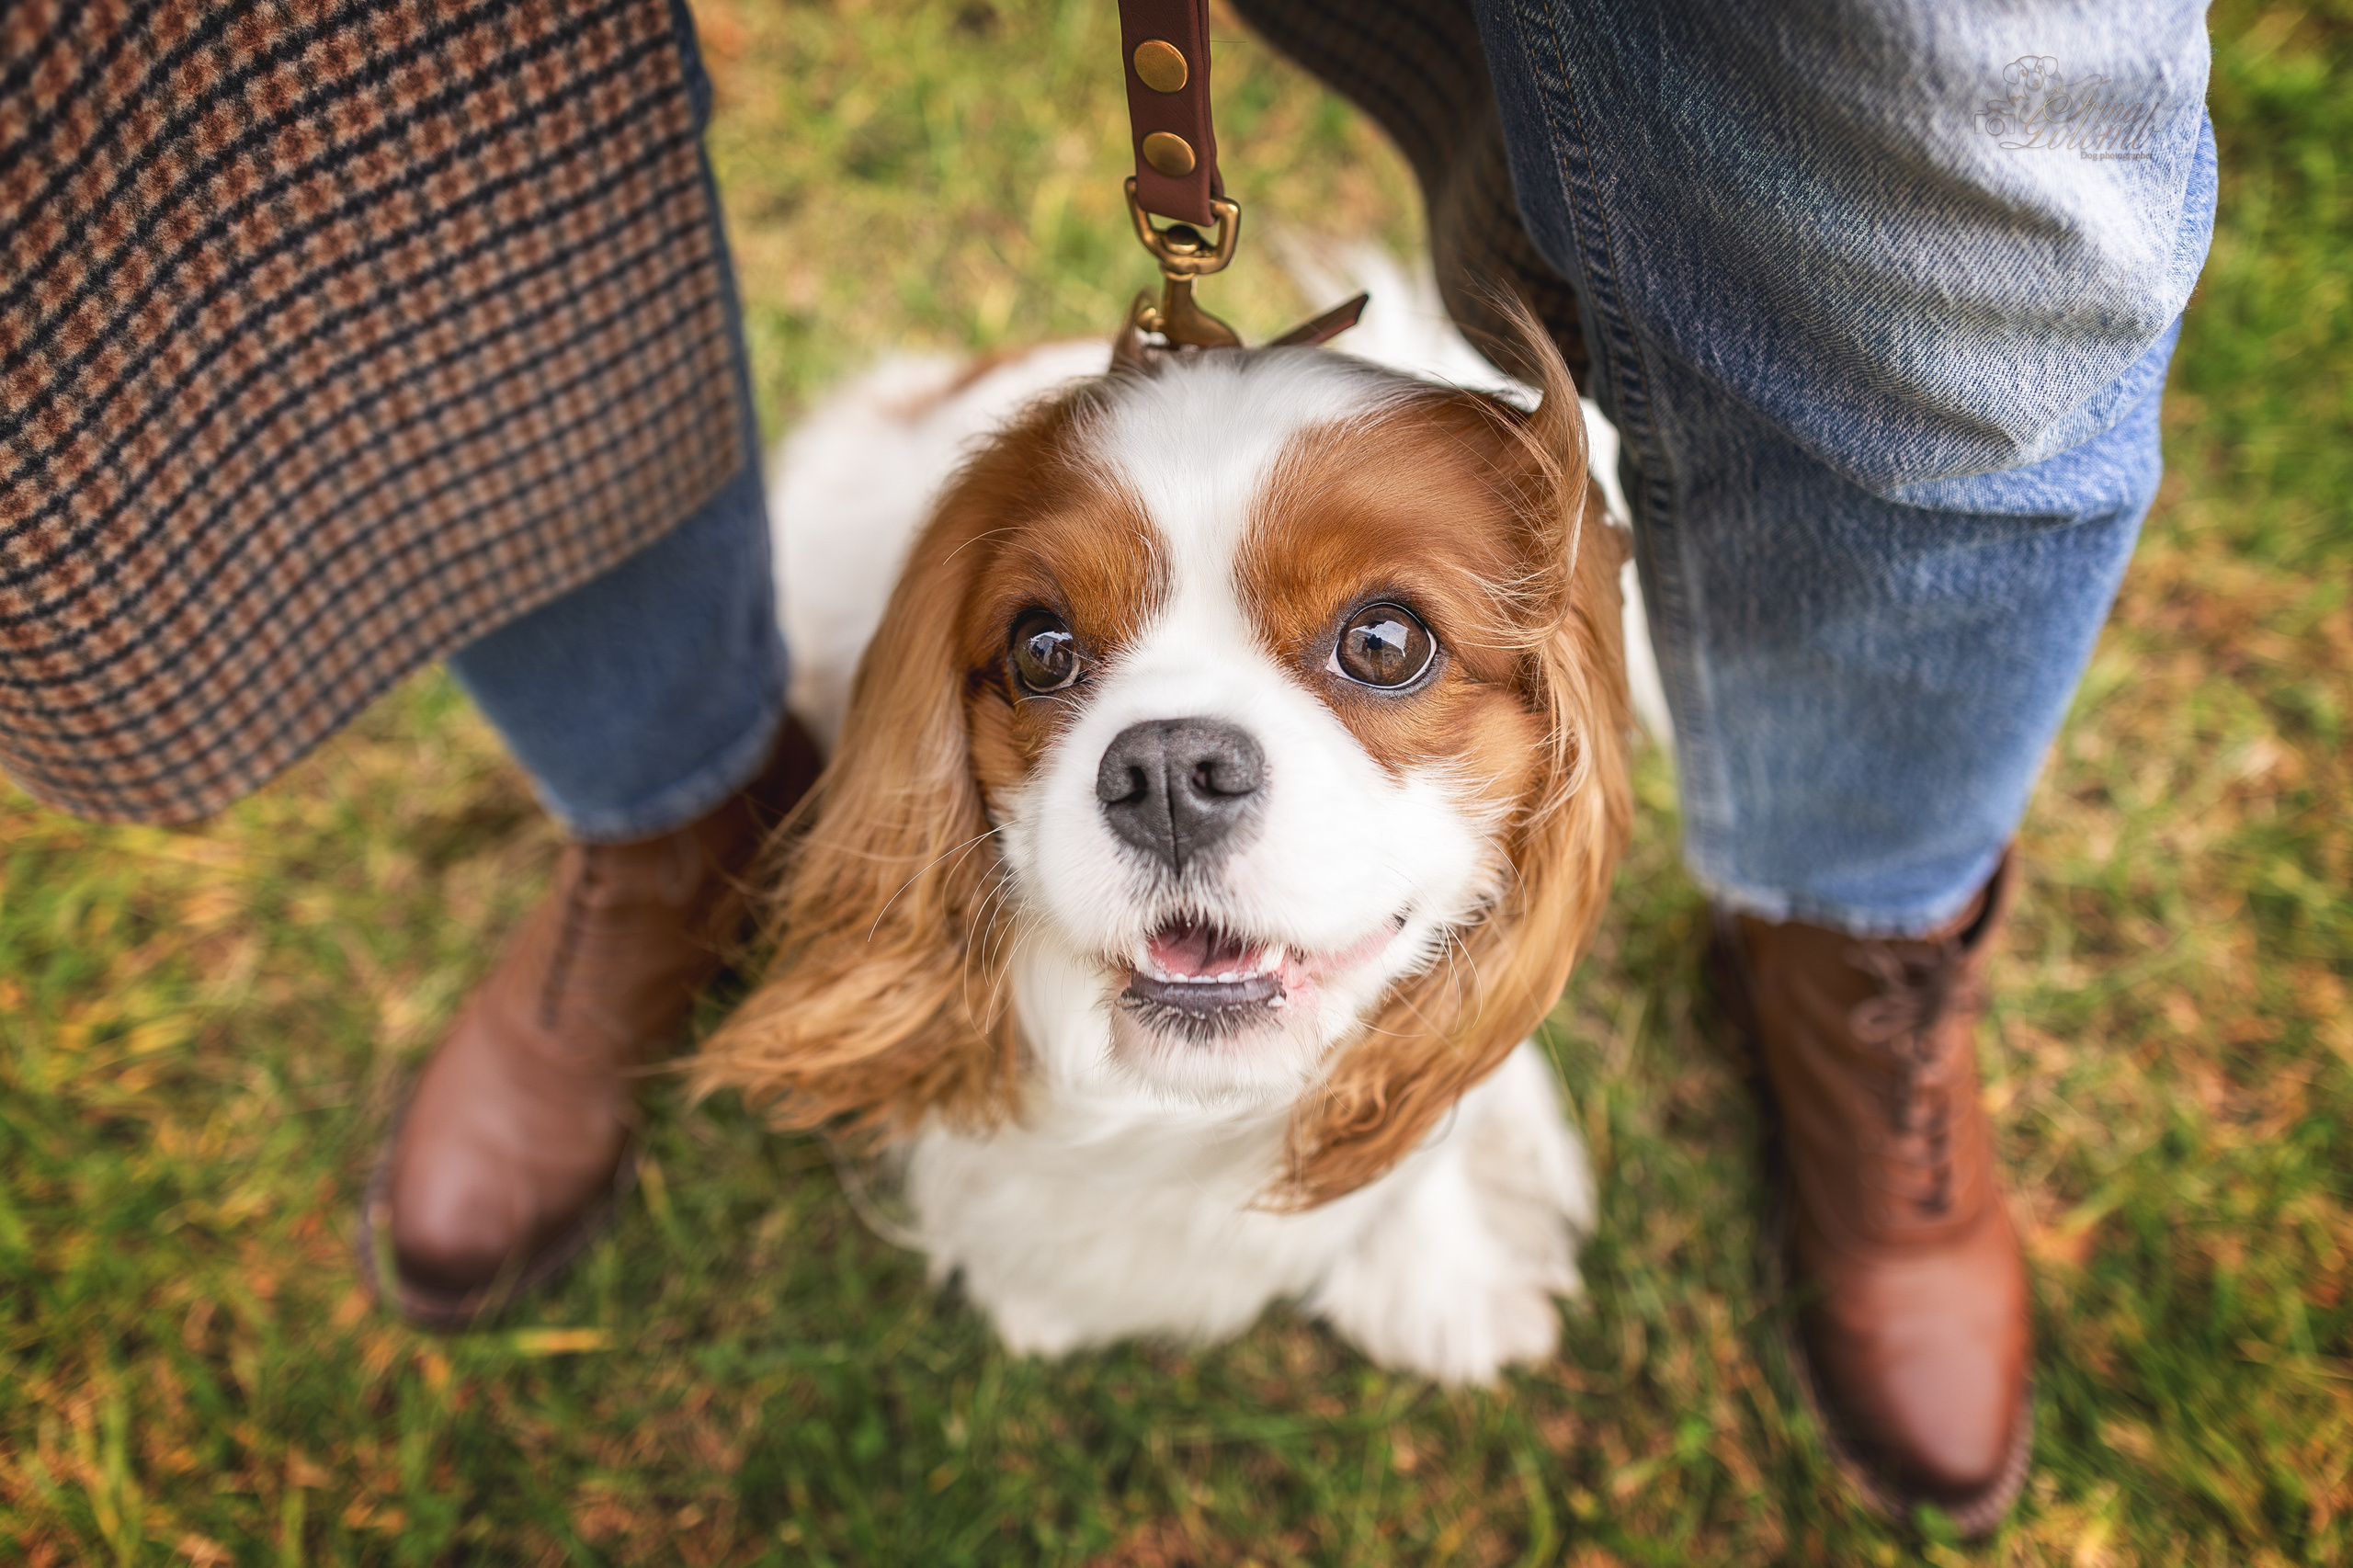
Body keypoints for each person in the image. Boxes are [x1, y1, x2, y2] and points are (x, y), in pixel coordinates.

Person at [2, 0, 2212, 1536]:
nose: (1161, 751)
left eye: (1373, 648)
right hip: (892, 702)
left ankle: (1849, 946)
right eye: (1050, 653)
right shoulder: (971, 723)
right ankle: (676, 815)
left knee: (1962, 199)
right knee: (337, 158)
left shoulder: (1501, 750)